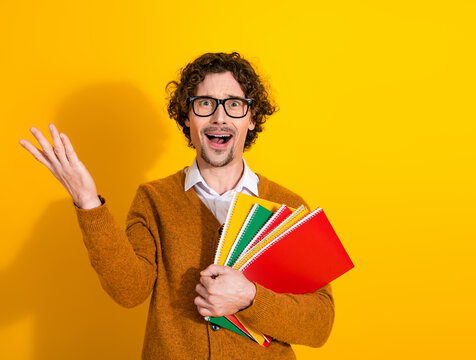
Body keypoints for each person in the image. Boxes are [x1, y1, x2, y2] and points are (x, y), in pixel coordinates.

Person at [19, 52, 334, 359]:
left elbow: (319, 324)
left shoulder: (288, 206)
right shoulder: (154, 199)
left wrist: (250, 298)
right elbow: (129, 291)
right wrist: (87, 201)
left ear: (252, 119)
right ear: (187, 116)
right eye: (205, 104)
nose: (219, 117)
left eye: (234, 104)